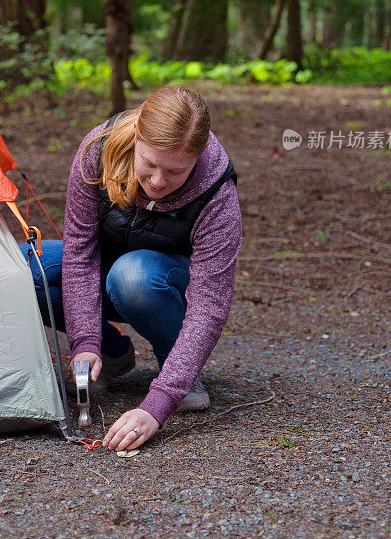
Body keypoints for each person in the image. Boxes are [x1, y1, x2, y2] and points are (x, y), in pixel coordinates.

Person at [22, 85, 241, 452]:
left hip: (162, 284)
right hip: (103, 270)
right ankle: (110, 353)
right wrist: (85, 340)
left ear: (199, 155)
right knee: (25, 267)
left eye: (175, 171)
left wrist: (157, 407)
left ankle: (178, 374)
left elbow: (209, 306)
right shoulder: (97, 150)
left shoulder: (217, 193)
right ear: (137, 136)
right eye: (150, 164)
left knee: (133, 275)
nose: (158, 181)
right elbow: (79, 252)